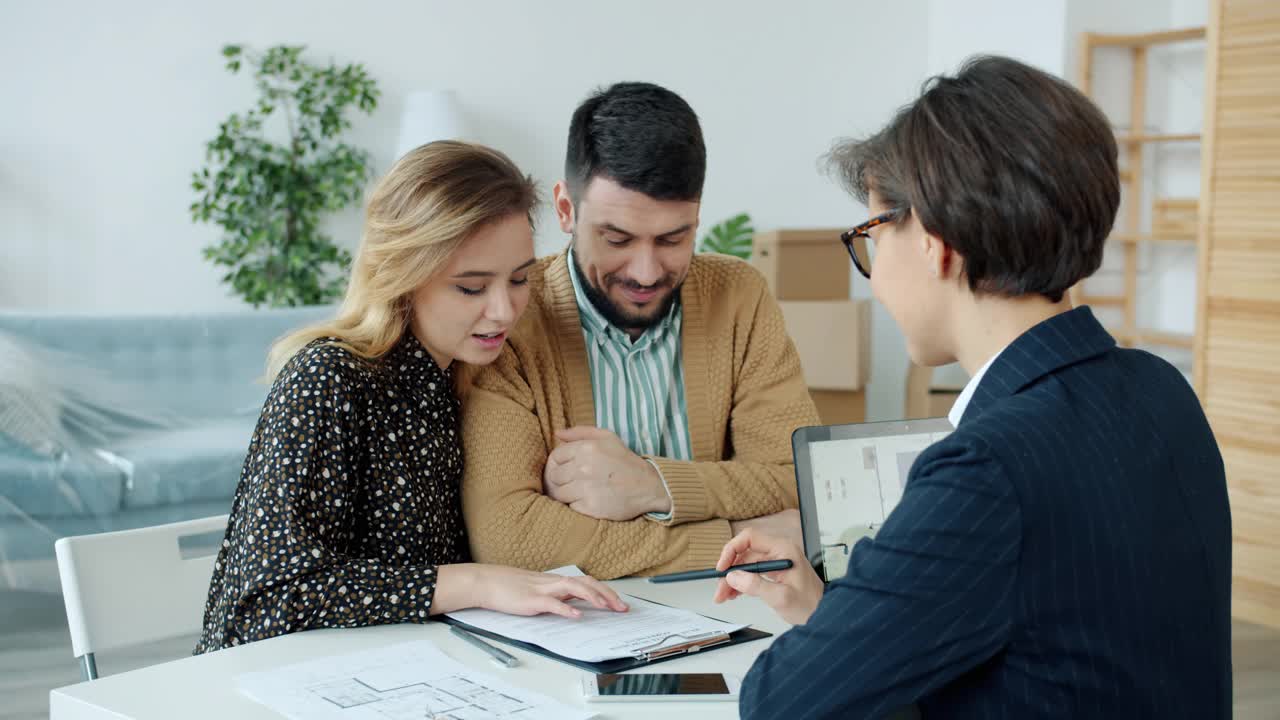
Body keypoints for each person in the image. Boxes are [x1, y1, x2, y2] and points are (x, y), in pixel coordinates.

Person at [714, 56, 1231, 718]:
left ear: (935, 240)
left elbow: (784, 701)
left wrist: (857, 609)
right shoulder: (1159, 388)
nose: (873, 271)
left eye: (872, 233)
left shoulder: (987, 466)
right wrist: (849, 613)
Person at [195, 141, 627, 654]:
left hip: (420, 674)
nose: (505, 310)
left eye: (519, 279)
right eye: (470, 288)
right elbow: (271, 600)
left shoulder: (469, 375)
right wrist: (475, 581)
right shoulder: (329, 379)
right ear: (402, 276)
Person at [460, 82, 819, 579]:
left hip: (735, 612)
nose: (646, 272)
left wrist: (655, 484)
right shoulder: (511, 318)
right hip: (578, 630)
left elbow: (796, 478)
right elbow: (511, 537)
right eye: (617, 239)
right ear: (566, 211)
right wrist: (736, 540)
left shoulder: (738, 296)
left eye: (674, 238)